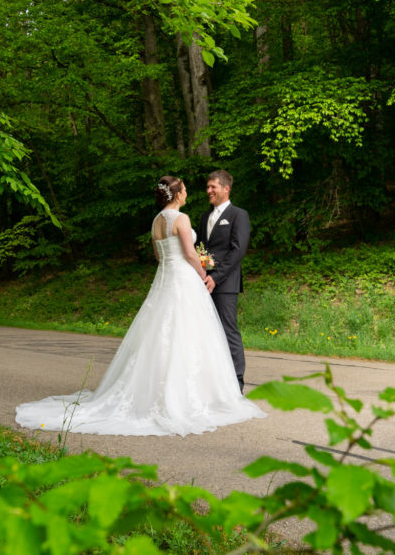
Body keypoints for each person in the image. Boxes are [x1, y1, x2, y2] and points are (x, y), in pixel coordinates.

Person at [15, 176, 265, 436]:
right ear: (177, 194)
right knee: (189, 334)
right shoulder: (183, 219)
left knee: (160, 334)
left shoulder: (156, 222)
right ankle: (192, 395)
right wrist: (203, 274)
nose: (191, 192)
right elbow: (190, 254)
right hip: (184, 279)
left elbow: (159, 256)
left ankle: (160, 389)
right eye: (186, 189)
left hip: (166, 279)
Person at [197, 170, 251, 392]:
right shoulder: (204, 217)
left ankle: (237, 381)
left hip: (225, 283)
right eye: (208, 187)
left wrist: (216, 277)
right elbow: (200, 248)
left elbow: (238, 251)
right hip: (203, 282)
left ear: (226, 189)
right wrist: (202, 274)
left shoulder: (239, 215)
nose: (209, 190)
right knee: (207, 331)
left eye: (213, 187)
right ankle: (214, 380)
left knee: (229, 330)